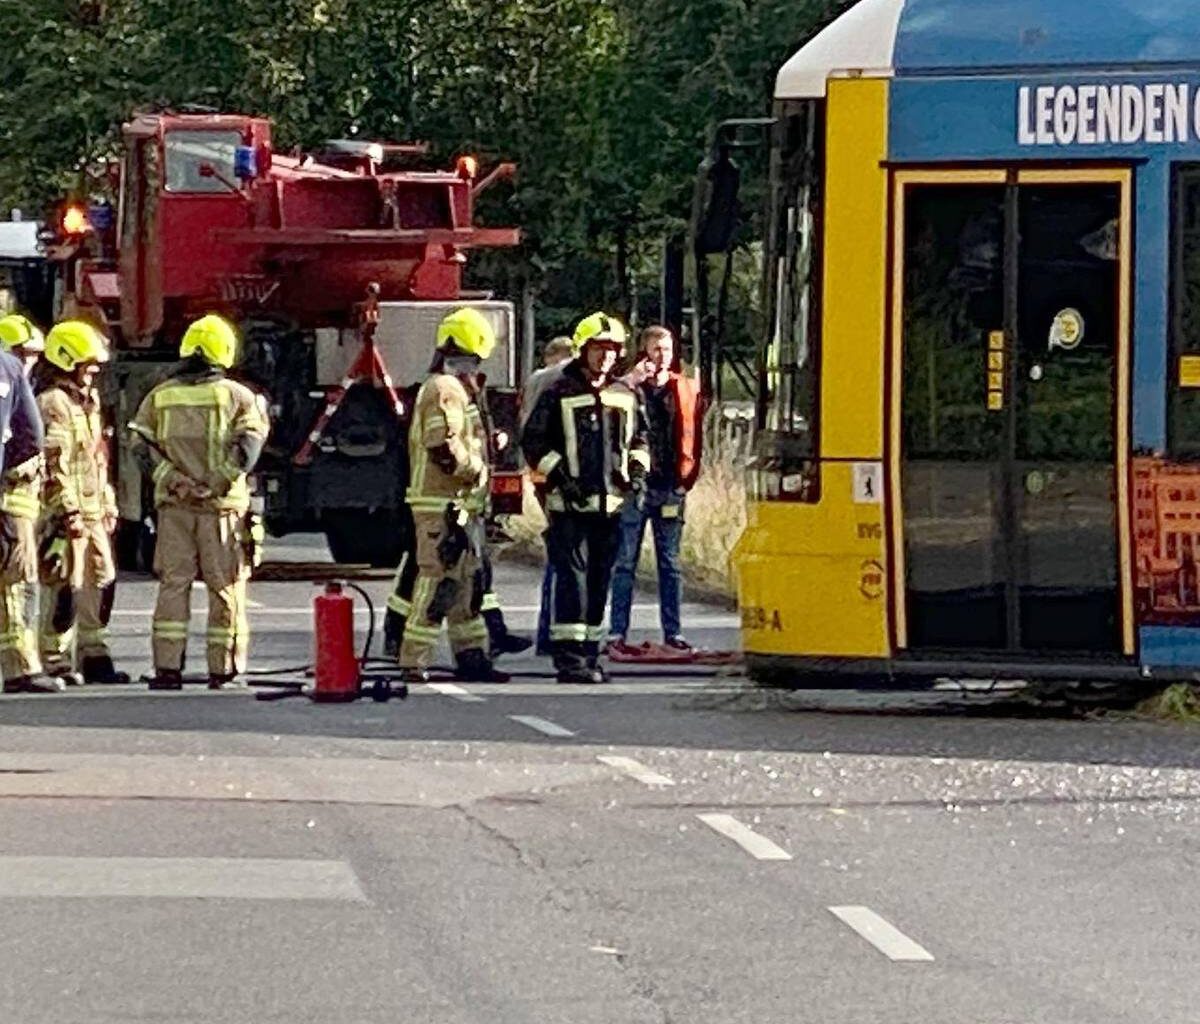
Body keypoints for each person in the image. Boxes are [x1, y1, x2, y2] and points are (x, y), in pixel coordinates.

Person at [128, 314, 270, 690]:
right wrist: (215, 483)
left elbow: (140, 448)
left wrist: (175, 483)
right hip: (221, 509)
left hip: (175, 509)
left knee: (174, 584)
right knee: (225, 587)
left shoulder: (159, 396)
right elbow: (248, 449)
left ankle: (167, 669)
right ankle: (223, 670)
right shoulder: (239, 396)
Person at [520, 312, 649, 684]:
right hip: (569, 506)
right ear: (583, 351)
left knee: (599, 581)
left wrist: (638, 473)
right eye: (599, 349)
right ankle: (569, 658)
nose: (606, 357)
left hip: (611, 505)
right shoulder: (560, 390)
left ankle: (591, 654)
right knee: (572, 581)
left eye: (612, 350)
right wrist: (560, 476)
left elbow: (640, 439)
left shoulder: (625, 394)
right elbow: (534, 441)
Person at [396, 307, 509, 683]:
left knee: (466, 587)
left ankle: (472, 656)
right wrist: (474, 468)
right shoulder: (445, 389)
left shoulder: (457, 388)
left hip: (460, 506)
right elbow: (441, 445)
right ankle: (414, 659)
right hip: (441, 507)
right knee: (436, 581)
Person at [37, 319, 129, 687]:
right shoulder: (53, 403)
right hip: (67, 515)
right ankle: (56, 660)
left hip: (93, 513)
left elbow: (98, 459)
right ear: (66, 360)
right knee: (64, 589)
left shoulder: (87, 404)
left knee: (102, 581)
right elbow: (54, 463)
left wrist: (107, 503)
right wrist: (66, 509)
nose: (93, 372)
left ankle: (93, 654)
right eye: (87, 365)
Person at [607, 325, 703, 655]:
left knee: (670, 564)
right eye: (655, 349)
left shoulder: (685, 389)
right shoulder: (630, 387)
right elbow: (606, 405)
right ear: (643, 352)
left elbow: (695, 434)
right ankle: (616, 633)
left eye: (666, 350)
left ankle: (673, 633)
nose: (661, 356)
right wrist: (632, 379)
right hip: (636, 488)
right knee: (625, 562)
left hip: (670, 487)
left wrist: (686, 479)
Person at [0, 315, 57, 693]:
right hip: (8, 499)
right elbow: (31, 435)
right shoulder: (10, 369)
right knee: (17, 582)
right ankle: (21, 668)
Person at [519, 335, 575, 656]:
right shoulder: (558, 380)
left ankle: (546, 633)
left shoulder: (535, 380)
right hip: (558, 476)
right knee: (563, 556)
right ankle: (553, 634)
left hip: (541, 473)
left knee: (557, 552)